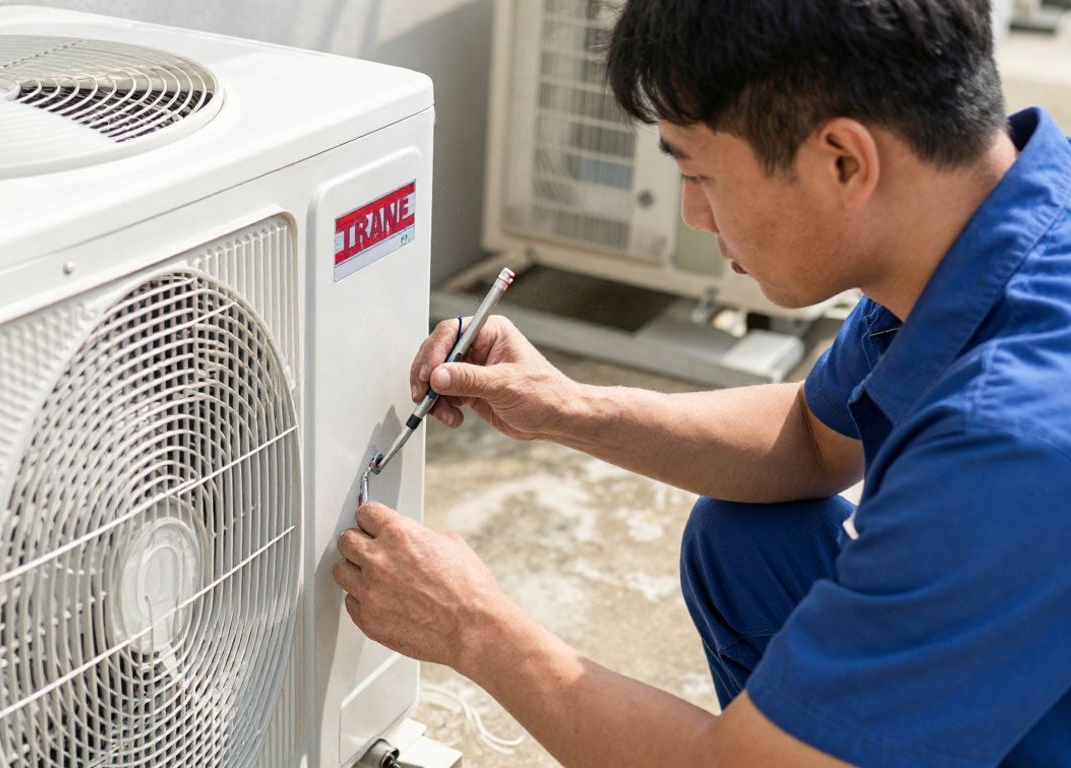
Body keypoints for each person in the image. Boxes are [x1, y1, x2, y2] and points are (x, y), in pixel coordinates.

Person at [331, 1, 1071, 765]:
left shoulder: (1013, 438)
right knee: (747, 542)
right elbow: (812, 441)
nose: (693, 214)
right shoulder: (990, 228)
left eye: (698, 172)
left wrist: (471, 627)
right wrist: (566, 408)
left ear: (843, 162)